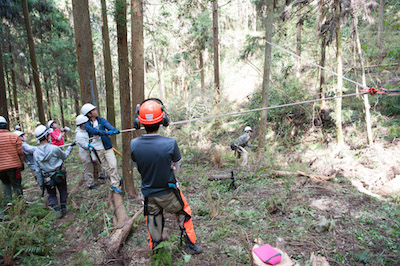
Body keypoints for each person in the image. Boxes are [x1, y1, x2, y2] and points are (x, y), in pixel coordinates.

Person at [130, 99, 203, 255]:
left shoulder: (134, 144)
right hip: (168, 191)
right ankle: (190, 245)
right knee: (184, 212)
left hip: (149, 193)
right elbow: (176, 166)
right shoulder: (170, 144)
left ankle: (157, 250)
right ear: (163, 120)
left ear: (139, 122)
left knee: (153, 220)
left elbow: (137, 167)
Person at [33, 125, 76, 218]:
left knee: (51, 193)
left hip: (47, 177)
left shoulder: (36, 152)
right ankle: (63, 207)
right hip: (59, 174)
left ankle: (57, 210)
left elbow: (37, 169)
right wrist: (70, 147)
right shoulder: (54, 148)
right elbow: (64, 156)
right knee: (63, 189)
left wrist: (41, 183)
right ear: (46, 136)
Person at [81, 103, 121, 193]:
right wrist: (106, 133)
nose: (96, 111)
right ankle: (117, 179)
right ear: (89, 114)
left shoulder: (102, 120)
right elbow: (95, 131)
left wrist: (114, 130)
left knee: (113, 165)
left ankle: (115, 184)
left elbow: (108, 126)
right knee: (106, 167)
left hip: (107, 147)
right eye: (93, 110)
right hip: (97, 149)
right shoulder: (87, 125)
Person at [0, 116, 24, 202]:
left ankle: (9, 202)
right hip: (14, 166)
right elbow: (20, 152)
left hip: (1, 168)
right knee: (17, 184)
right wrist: (22, 163)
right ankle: (20, 202)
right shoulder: (14, 136)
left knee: (5, 184)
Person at [75, 114, 98, 190]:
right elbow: (83, 144)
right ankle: (90, 184)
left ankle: (99, 177)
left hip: (90, 151)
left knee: (95, 164)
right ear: (82, 124)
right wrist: (89, 145)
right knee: (88, 168)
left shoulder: (86, 130)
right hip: (84, 153)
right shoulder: (79, 134)